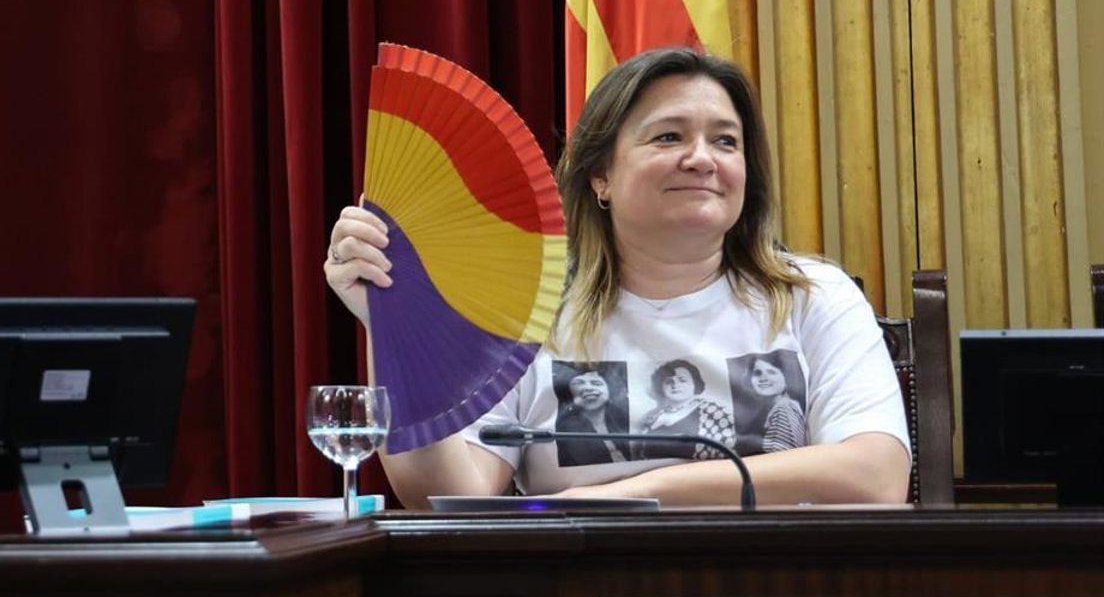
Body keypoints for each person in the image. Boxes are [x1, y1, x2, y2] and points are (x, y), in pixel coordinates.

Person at [325, 46, 911, 507]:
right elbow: (447, 494)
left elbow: (876, 476)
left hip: (780, 594)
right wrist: (395, 326)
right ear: (600, 175)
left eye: (725, 141)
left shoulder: (812, 296)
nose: (702, 158)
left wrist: (629, 495)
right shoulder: (529, 311)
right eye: (669, 136)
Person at [552, 363, 631, 467]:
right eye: (579, 383)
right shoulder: (564, 430)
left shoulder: (624, 419)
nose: (588, 388)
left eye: (596, 383)